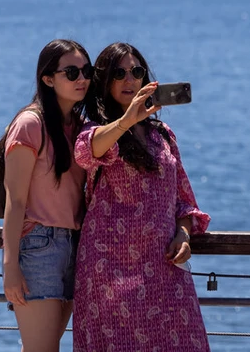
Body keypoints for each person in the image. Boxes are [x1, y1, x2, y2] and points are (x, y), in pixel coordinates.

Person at [73, 42, 211, 351]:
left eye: (135, 71)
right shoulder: (95, 129)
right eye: (118, 73)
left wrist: (184, 234)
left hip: (163, 268)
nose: (129, 80)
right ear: (104, 82)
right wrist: (126, 121)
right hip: (108, 272)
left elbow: (183, 200)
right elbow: (86, 153)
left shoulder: (162, 135)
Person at [1, 39, 91, 352]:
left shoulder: (78, 127)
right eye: (71, 72)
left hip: (75, 246)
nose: (81, 79)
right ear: (48, 78)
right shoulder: (30, 124)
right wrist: (10, 266)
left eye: (86, 71)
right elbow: (16, 201)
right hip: (40, 247)